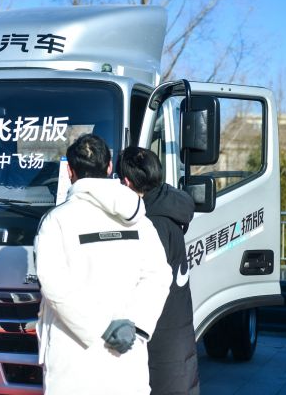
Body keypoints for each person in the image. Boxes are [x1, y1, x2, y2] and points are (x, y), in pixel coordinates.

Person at [34, 134, 172, 395]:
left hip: (72, 355)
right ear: (109, 168)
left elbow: (54, 286)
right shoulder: (138, 220)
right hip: (127, 351)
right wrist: (136, 326)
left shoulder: (56, 220)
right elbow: (159, 276)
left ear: (69, 171)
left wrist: (99, 328)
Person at [117, 146, 200, 395]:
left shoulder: (149, 223)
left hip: (159, 340)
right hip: (178, 332)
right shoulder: (171, 207)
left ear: (127, 182)